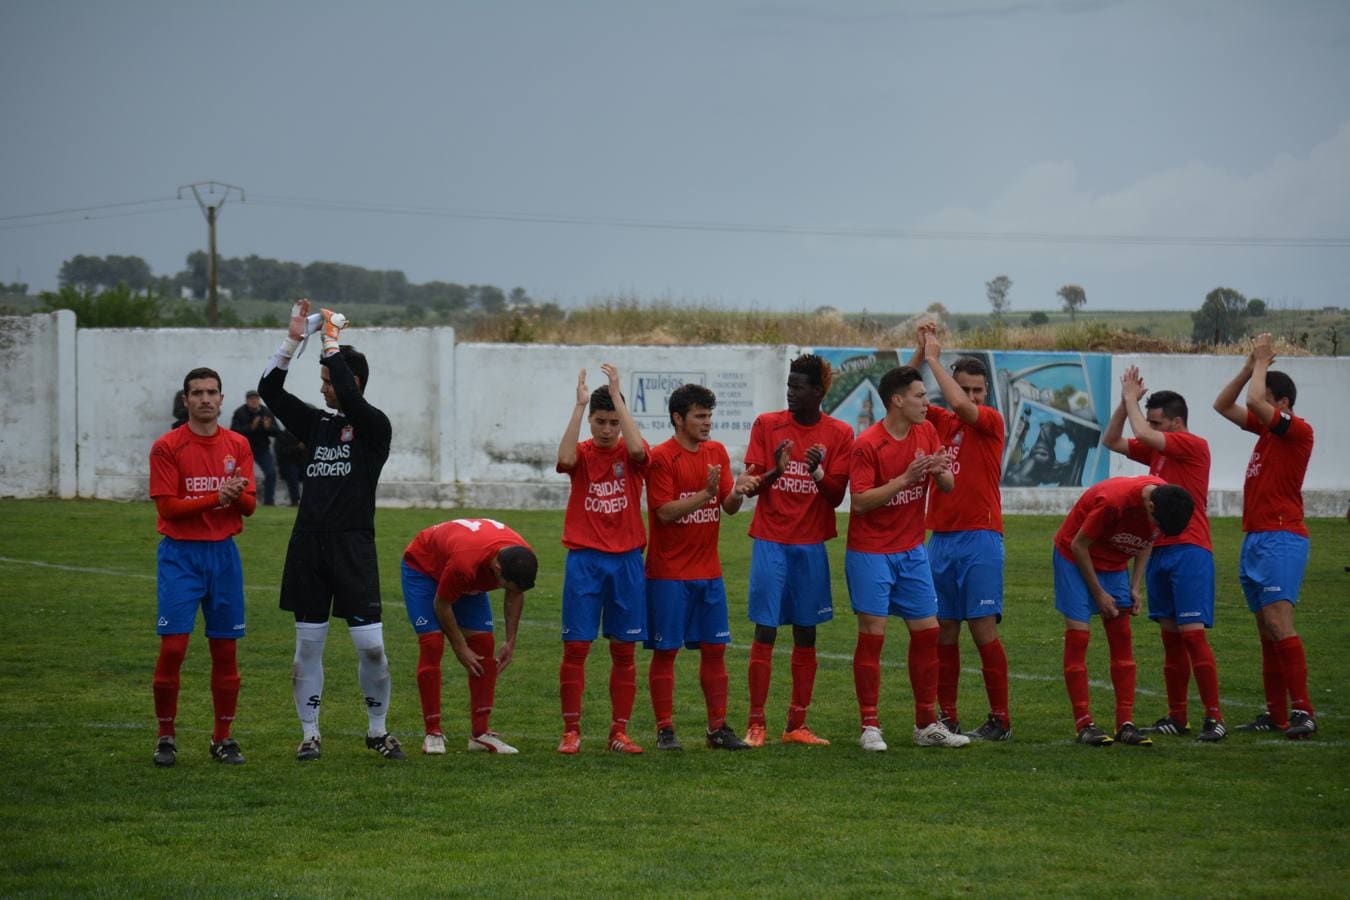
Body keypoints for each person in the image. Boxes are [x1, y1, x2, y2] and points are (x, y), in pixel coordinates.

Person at [258, 298, 405, 761]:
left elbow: (347, 389)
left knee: (372, 648)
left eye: (327, 381)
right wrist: (293, 340)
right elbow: (269, 390)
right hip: (308, 547)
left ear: (352, 382)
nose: (323, 389)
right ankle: (310, 734)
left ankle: (377, 730)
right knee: (307, 646)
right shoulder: (318, 424)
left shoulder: (374, 427)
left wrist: (332, 341)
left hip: (353, 548)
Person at [846, 365, 969, 750]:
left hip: (912, 549)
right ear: (897, 400)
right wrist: (904, 479)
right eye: (919, 396)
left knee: (928, 631)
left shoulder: (927, 431)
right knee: (873, 634)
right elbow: (861, 501)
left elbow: (946, 486)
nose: (926, 403)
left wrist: (941, 470)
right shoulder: (868, 443)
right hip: (871, 551)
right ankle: (869, 725)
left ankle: (926, 724)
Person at [1103, 366, 1226, 742]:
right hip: (1159, 551)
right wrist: (1127, 405)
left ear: (1176, 423)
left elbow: (1141, 433)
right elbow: (1112, 440)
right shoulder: (1159, 449)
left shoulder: (1193, 445)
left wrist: (1130, 398)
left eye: (1158, 422)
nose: (1151, 428)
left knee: (1192, 636)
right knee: (1171, 639)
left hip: (1190, 550)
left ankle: (1214, 717)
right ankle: (1178, 715)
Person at [740, 354, 853, 747]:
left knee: (806, 633)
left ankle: (796, 725)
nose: (790, 392)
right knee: (765, 629)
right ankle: (756, 724)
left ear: (819, 392)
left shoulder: (839, 433)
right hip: (771, 542)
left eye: (798, 386)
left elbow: (837, 496)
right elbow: (751, 485)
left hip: (810, 546)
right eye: (788, 385)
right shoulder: (767, 425)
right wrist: (774, 468)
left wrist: (818, 471)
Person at [907, 327, 1012, 742]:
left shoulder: (990, 420)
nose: (973, 396)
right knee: (944, 630)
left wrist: (935, 360)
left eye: (979, 389)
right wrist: (920, 352)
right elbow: (899, 388)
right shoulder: (941, 422)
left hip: (981, 538)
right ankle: (947, 717)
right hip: (941, 540)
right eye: (966, 387)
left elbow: (958, 405)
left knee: (982, 628)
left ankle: (1000, 719)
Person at [148, 367, 256, 767]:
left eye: (212, 392)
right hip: (181, 556)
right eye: (197, 393)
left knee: (225, 651)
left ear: (222, 399)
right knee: (174, 648)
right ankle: (165, 736)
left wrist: (234, 496)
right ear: (186, 400)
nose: (205, 399)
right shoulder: (167, 447)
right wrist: (217, 496)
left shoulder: (238, 444)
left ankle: (223, 738)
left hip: (223, 556)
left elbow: (249, 505)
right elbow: (168, 509)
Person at [1213, 333, 1317, 739]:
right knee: (1265, 630)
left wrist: (1261, 363)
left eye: (1270, 396)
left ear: (1285, 405)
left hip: (1282, 536)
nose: (1261, 401)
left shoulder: (1298, 431)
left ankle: (1304, 711)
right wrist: (1247, 368)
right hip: (1256, 537)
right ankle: (1275, 715)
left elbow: (1256, 402)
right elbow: (1222, 405)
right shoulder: (1267, 433)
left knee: (1279, 623)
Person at [644, 383, 758, 751]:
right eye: (700, 416)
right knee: (666, 652)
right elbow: (663, 512)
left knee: (715, 650)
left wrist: (737, 491)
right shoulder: (661, 458)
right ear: (678, 418)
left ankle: (717, 728)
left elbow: (727, 507)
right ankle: (665, 729)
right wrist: (705, 495)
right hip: (668, 574)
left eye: (709, 415)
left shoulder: (717, 452)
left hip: (709, 573)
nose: (707, 423)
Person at [1053, 475, 1195, 746]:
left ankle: (1125, 724)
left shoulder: (1166, 500)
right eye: (1157, 523)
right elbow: (1078, 545)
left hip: (1115, 563)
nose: (1156, 528)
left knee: (1122, 638)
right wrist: (1098, 593)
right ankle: (1084, 724)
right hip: (1074, 558)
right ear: (1150, 507)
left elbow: (1147, 540)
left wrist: (1135, 586)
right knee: (1079, 637)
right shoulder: (1113, 503)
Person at [555, 364, 650, 755]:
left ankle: (619, 732)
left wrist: (616, 395)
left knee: (623, 651)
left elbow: (640, 450)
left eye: (612, 421)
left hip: (627, 560)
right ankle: (571, 731)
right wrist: (578, 408)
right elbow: (562, 458)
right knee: (576, 648)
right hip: (585, 561)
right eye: (600, 421)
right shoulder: (581, 453)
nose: (607, 429)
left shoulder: (632, 455)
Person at [401, 518, 536, 754]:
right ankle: (432, 731)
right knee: (432, 643)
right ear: (497, 570)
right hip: (424, 567)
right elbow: (442, 605)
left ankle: (480, 734)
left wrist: (510, 641)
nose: (510, 591)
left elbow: (516, 593)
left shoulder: (521, 555)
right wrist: (460, 647)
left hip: (465, 564)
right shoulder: (465, 564)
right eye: (507, 585)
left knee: (485, 645)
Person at [230, 389, 281, 506]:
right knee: (239, 476)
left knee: (271, 473)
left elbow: (278, 432)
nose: (254, 401)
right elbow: (234, 432)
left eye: (256, 399)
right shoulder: (239, 412)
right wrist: (251, 428)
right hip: (244, 450)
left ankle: (269, 502)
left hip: (262, 449)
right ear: (247, 401)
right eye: (251, 399)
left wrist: (269, 428)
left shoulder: (266, 412)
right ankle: (240, 501)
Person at [274, 427, 306, 506]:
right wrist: (297, 448)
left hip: (302, 462)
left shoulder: (302, 434)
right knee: (293, 476)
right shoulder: (282, 435)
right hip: (288, 463)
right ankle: (295, 501)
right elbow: (281, 453)